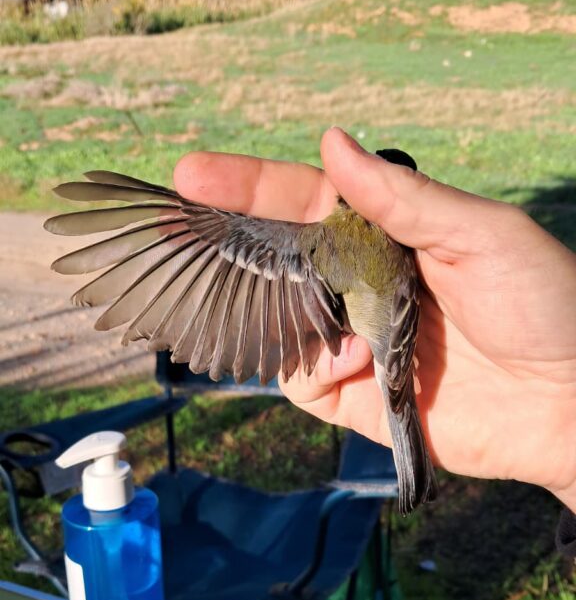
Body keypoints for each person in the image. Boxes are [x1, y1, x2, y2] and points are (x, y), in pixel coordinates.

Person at [173, 126, 576, 532]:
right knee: (384, 387)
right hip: (396, 335)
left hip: (384, 336)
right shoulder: (396, 242)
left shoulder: (328, 237)